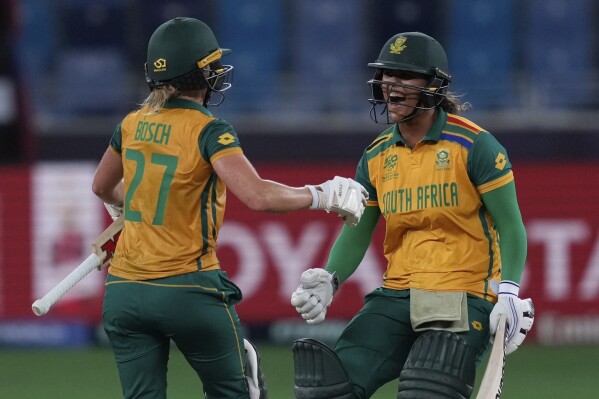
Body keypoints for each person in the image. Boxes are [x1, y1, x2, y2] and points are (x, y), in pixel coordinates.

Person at [91, 17, 367, 399]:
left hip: (124, 292)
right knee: (237, 391)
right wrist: (323, 194)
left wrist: (128, 208)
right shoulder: (209, 128)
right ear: (200, 73)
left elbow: (101, 186)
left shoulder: (131, 123)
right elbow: (258, 196)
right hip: (188, 288)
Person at [290, 32, 535, 399]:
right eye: (387, 76)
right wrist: (330, 278)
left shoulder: (475, 146)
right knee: (327, 386)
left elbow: (511, 226)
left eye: (405, 77)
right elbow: (358, 231)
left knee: (426, 391)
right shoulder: (375, 155)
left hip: (463, 294)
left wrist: (510, 293)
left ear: (433, 85)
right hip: (398, 294)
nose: (392, 87)